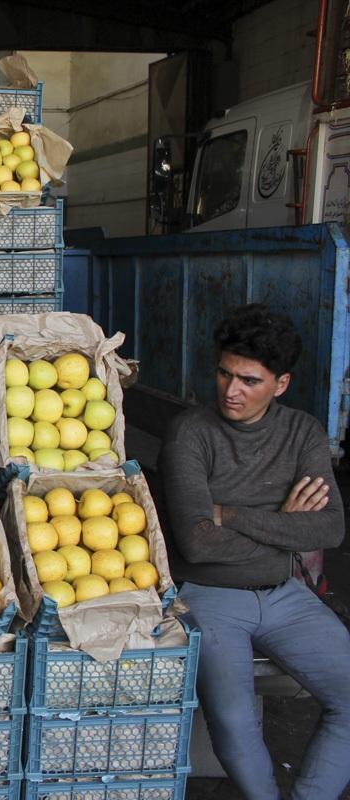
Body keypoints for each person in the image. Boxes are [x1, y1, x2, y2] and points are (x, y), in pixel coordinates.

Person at [160, 303, 348, 800]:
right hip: (209, 595)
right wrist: (288, 523)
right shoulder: (191, 432)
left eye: (249, 380)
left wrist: (234, 514)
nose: (231, 390)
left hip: (285, 594)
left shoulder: (302, 431)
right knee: (234, 720)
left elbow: (329, 528)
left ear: (280, 384)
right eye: (224, 373)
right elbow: (197, 543)